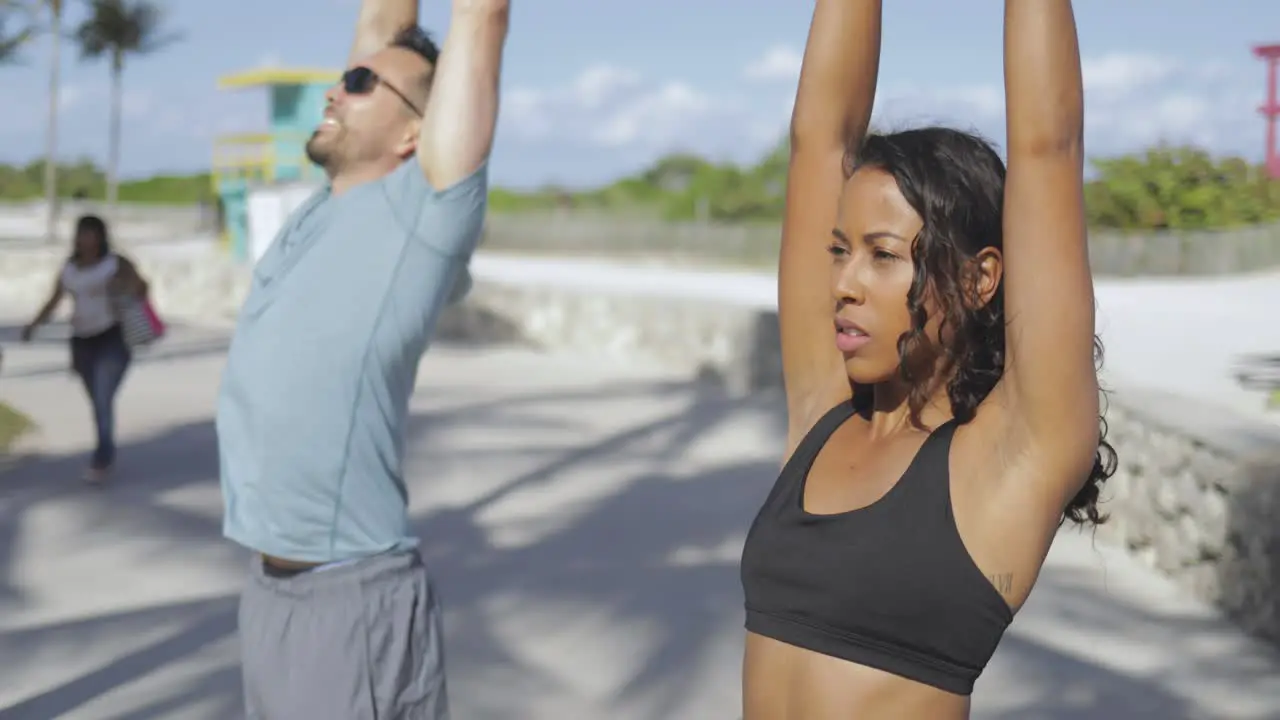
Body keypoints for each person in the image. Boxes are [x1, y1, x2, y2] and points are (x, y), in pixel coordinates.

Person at [738, 1, 1116, 718]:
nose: (844, 285)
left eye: (882, 255)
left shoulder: (1012, 459)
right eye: (839, 251)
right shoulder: (825, 415)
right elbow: (820, 140)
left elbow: (1048, 146)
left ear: (980, 279)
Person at [214, 0, 508, 717]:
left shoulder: (424, 215)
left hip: (350, 600)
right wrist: (375, 55)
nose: (334, 89)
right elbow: (382, 16)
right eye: (345, 76)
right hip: (271, 591)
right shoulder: (327, 205)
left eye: (359, 83)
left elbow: (484, 14)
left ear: (417, 131)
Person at [21, 214, 148, 484]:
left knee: (102, 398)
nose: (85, 239)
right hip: (82, 342)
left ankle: (102, 457)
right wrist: (33, 325)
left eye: (90, 233)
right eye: (81, 233)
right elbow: (54, 300)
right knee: (97, 401)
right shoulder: (69, 268)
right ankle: (105, 448)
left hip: (112, 338)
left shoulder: (115, 263)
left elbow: (142, 287)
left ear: (101, 237)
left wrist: (126, 285)